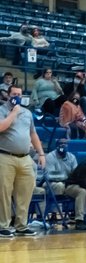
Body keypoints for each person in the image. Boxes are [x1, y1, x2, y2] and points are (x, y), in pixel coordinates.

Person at [0, 85, 45, 238]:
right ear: (8, 95)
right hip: (5, 156)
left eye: (19, 94)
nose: (17, 97)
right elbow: (1, 127)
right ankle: (3, 226)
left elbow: (33, 134)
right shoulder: (1, 110)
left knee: (25, 192)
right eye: (14, 94)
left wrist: (41, 153)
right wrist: (13, 113)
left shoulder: (27, 113)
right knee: (4, 193)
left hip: (25, 157)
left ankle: (21, 225)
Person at [42, 138, 85, 224]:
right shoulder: (50, 156)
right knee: (59, 185)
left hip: (67, 183)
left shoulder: (71, 157)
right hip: (50, 183)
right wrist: (66, 178)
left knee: (80, 189)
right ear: (56, 146)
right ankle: (54, 213)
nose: (63, 145)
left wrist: (70, 179)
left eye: (65, 144)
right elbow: (51, 175)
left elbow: (75, 173)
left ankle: (77, 216)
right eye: (61, 144)